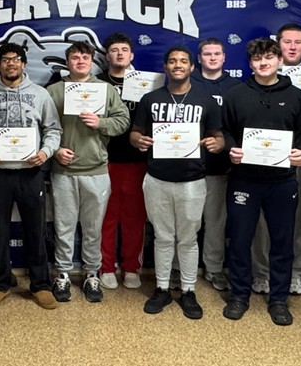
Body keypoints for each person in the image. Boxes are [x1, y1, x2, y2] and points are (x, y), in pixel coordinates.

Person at [221, 38, 301, 326]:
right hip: (244, 181)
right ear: (250, 63)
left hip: (282, 182)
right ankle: (239, 295)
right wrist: (231, 149)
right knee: (239, 241)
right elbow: (225, 132)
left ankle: (278, 300)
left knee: (282, 242)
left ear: (279, 60)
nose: (263, 63)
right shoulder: (235, 95)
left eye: (269, 58)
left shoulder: (296, 96)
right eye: (257, 59)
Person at [130, 46, 224, 319]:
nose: (178, 65)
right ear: (165, 67)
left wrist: (216, 144)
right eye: (172, 61)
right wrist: (138, 141)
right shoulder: (151, 99)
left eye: (183, 61)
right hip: (157, 178)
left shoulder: (206, 100)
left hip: (192, 180)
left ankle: (188, 290)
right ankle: (161, 288)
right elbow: (135, 133)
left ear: (192, 67)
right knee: (162, 236)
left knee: (188, 238)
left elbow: (218, 137)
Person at [0, 42, 62, 310]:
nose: (11, 63)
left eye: (16, 59)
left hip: (31, 173)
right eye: (5, 60)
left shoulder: (40, 94)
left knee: (36, 230)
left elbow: (53, 129)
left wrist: (45, 152)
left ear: (23, 63)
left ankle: (40, 285)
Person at [46, 41, 129, 303]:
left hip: (97, 170)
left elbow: (123, 121)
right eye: (75, 57)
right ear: (67, 62)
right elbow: (40, 127)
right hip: (64, 171)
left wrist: (100, 122)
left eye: (85, 57)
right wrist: (55, 150)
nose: (80, 61)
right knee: (64, 227)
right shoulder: (53, 91)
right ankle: (63, 274)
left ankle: (92, 273)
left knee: (93, 228)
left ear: (92, 61)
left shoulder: (105, 90)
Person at [251, 22, 301, 296]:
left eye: (297, 42)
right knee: (261, 220)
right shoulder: (259, 75)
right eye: (287, 41)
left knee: (300, 218)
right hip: (262, 156)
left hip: (300, 156)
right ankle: (262, 273)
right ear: (278, 47)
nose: (292, 46)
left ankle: (296, 272)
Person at [96, 32, 149, 290]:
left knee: (134, 219)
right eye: (114, 49)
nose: (119, 53)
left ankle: (131, 268)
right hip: (103, 160)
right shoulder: (96, 84)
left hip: (137, 160)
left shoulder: (146, 83)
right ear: (107, 55)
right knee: (105, 217)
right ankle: (106, 267)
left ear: (131, 55)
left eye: (124, 50)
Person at [192, 37, 242, 291]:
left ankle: (213, 268)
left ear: (224, 58)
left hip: (220, 167)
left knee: (215, 223)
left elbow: (239, 126)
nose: (212, 58)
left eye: (216, 54)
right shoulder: (186, 83)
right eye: (207, 54)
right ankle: (180, 269)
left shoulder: (236, 87)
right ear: (199, 58)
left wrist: (229, 149)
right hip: (187, 166)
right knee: (187, 223)